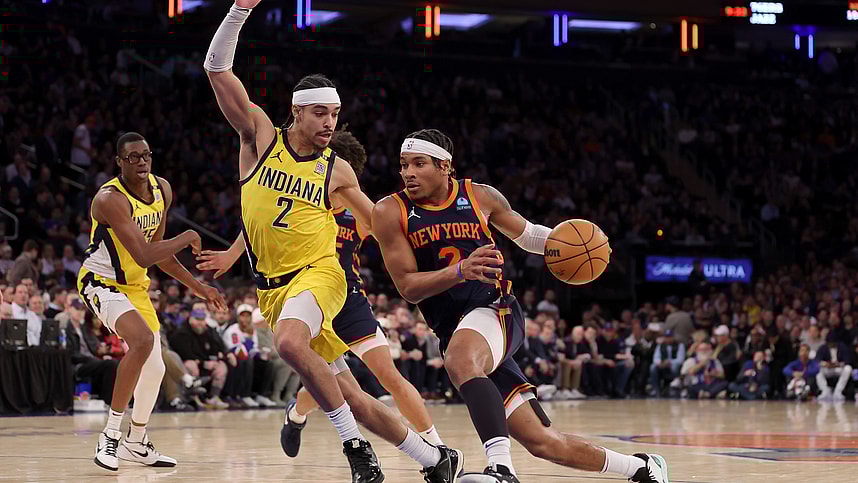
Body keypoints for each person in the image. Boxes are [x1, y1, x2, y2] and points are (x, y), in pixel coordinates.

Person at [203, 4, 459, 480]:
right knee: (353, 397)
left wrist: (437, 254)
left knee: (289, 343)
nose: (328, 123)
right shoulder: (260, 139)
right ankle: (435, 460)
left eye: (335, 114)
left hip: (321, 276)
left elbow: (380, 224)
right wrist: (238, 10)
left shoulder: (335, 170)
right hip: (272, 290)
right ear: (296, 111)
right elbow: (217, 68)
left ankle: (355, 450)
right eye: (320, 113)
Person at [372, 128, 668, 483]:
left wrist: (573, 247)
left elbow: (528, 235)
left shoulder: (479, 196)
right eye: (404, 165)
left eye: (419, 164)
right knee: (542, 441)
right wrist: (460, 270)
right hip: (455, 328)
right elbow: (407, 287)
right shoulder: (391, 210)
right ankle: (643, 467)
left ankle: (501, 471)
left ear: (445, 166)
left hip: (496, 310)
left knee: (460, 360)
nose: (408, 173)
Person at [77, 131, 226, 471]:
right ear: (119, 162)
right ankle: (110, 436)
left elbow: (159, 255)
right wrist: (186, 236)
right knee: (142, 342)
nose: (141, 161)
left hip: (135, 286)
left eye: (145, 155)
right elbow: (144, 254)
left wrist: (199, 287)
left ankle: (136, 442)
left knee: (156, 366)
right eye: (132, 157)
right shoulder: (109, 199)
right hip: (101, 282)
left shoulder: (163, 190)